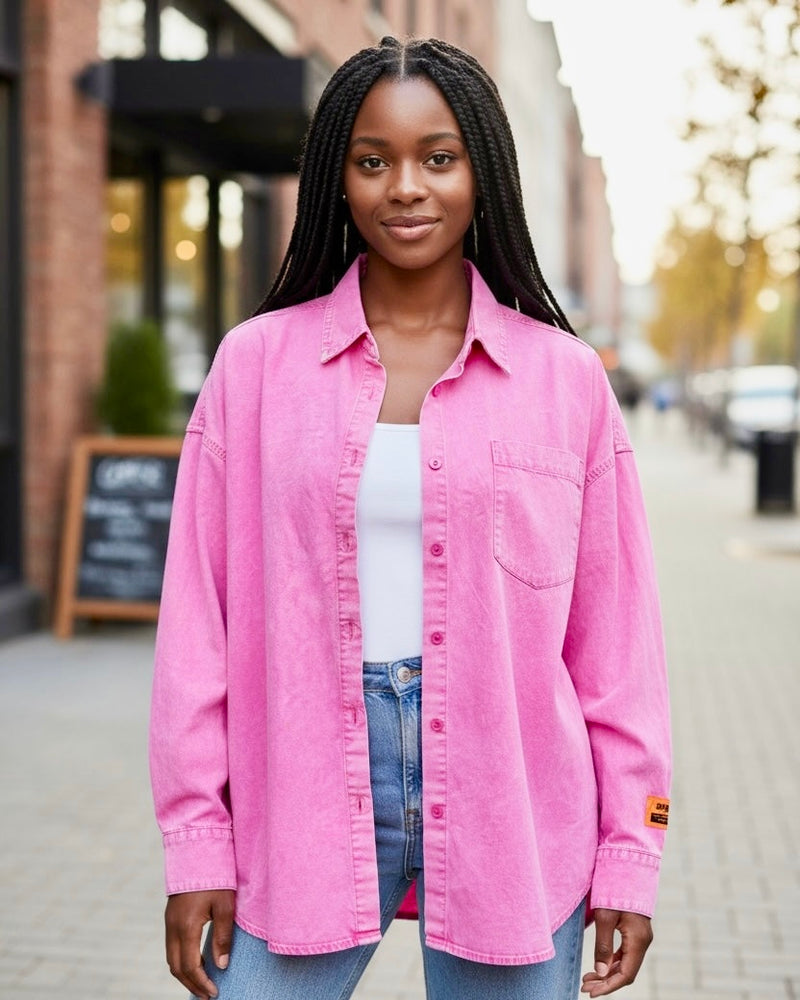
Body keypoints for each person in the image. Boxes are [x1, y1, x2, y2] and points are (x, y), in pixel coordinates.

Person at [150, 35, 671, 1000]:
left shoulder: (565, 383)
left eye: (439, 157)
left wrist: (633, 853)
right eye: (372, 160)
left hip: (516, 800)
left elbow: (619, 651)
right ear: (335, 180)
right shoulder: (256, 369)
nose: (407, 188)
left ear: (483, 172)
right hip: (299, 789)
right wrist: (195, 842)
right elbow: (197, 626)